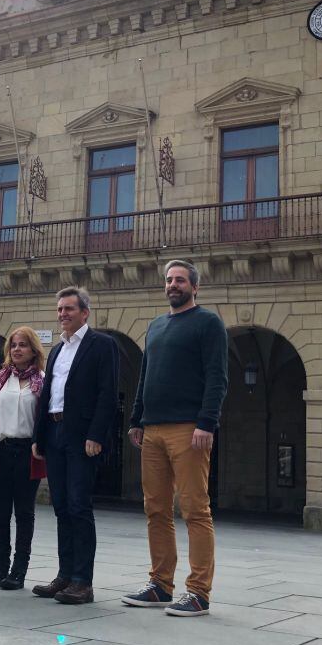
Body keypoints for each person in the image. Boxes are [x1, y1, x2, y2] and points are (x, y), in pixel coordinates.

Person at [123, 260, 228, 617]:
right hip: (151, 429)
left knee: (195, 509)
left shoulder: (208, 323)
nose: (173, 285)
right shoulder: (155, 326)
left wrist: (207, 423)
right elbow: (144, 376)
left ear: (194, 287)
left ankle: (198, 592)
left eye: (180, 280)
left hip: (189, 429)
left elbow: (217, 376)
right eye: (169, 280)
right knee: (155, 509)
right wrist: (137, 418)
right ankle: (160, 585)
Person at [30, 287, 118, 605]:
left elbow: (107, 395)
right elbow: (48, 396)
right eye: (60, 309)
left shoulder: (102, 345)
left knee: (79, 506)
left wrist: (96, 435)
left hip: (81, 435)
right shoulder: (56, 351)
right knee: (62, 507)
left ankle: (83, 581)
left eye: (69, 308)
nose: (63, 314)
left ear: (85, 313)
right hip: (54, 433)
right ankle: (65, 575)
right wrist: (40, 437)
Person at [0, 327, 47, 591]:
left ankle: (19, 571)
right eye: (13, 345)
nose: (17, 349)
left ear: (33, 350)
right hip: (0, 449)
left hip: (27, 451)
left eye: (23, 345)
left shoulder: (41, 380)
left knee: (24, 513)